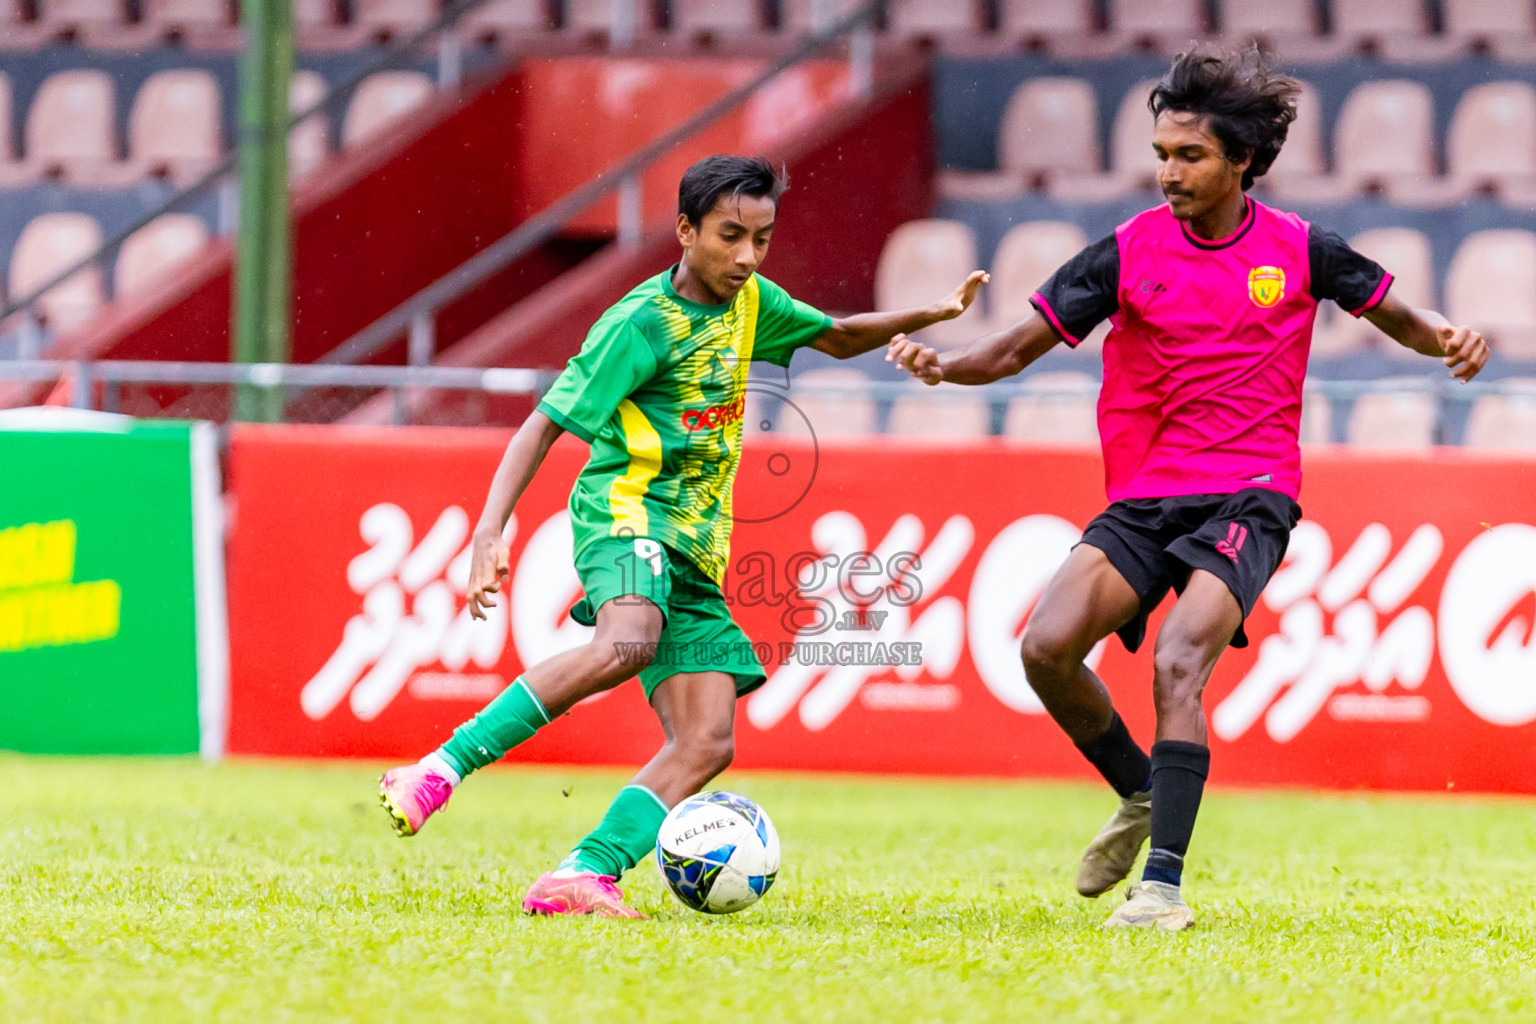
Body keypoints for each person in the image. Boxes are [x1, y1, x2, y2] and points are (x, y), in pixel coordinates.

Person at [888, 47, 1488, 931]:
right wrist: (943, 367)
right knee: (1046, 649)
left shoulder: (1300, 248)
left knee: (1178, 660)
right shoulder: (1126, 252)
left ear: (1241, 159)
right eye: (1163, 153)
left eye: (1190, 155)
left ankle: (1160, 888)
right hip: (1146, 495)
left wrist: (1450, 338)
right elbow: (1012, 349)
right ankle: (1139, 793)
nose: (1169, 171)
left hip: (1251, 494)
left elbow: (1401, 313)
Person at [379, 154, 987, 918]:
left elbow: (835, 336)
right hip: (624, 514)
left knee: (706, 740)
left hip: (695, 551)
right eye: (731, 236)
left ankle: (582, 875)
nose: (746, 256)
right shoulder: (639, 325)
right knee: (628, 640)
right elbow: (542, 425)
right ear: (685, 230)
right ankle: (436, 770)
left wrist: (928, 317)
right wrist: (488, 532)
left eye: (761, 239)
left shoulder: (754, 302)